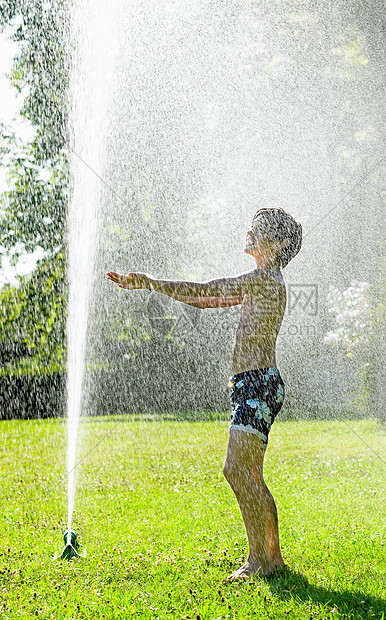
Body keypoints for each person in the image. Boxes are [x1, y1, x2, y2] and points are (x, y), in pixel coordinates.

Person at [107, 207, 302, 579]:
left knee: (236, 470)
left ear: (277, 244)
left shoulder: (265, 279)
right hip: (253, 383)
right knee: (251, 474)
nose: (249, 232)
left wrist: (150, 282)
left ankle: (258, 560)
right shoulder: (264, 280)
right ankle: (273, 558)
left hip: (258, 383)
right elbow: (208, 299)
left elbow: (204, 292)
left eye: (257, 230)